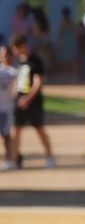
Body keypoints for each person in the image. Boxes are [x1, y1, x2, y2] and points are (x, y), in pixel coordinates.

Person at [11, 34, 55, 168]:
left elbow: (37, 83)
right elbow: (17, 81)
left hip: (33, 101)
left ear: (22, 46)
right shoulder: (19, 62)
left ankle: (50, 157)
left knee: (39, 128)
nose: (15, 52)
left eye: (16, 49)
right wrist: (15, 97)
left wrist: (28, 98)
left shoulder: (34, 60)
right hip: (20, 101)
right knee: (16, 130)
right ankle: (15, 159)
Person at [0, 44, 16, 170]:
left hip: (7, 109)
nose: (5, 57)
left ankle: (10, 159)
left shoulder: (13, 72)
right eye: (3, 54)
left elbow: (16, 89)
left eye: (7, 54)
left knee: (6, 135)